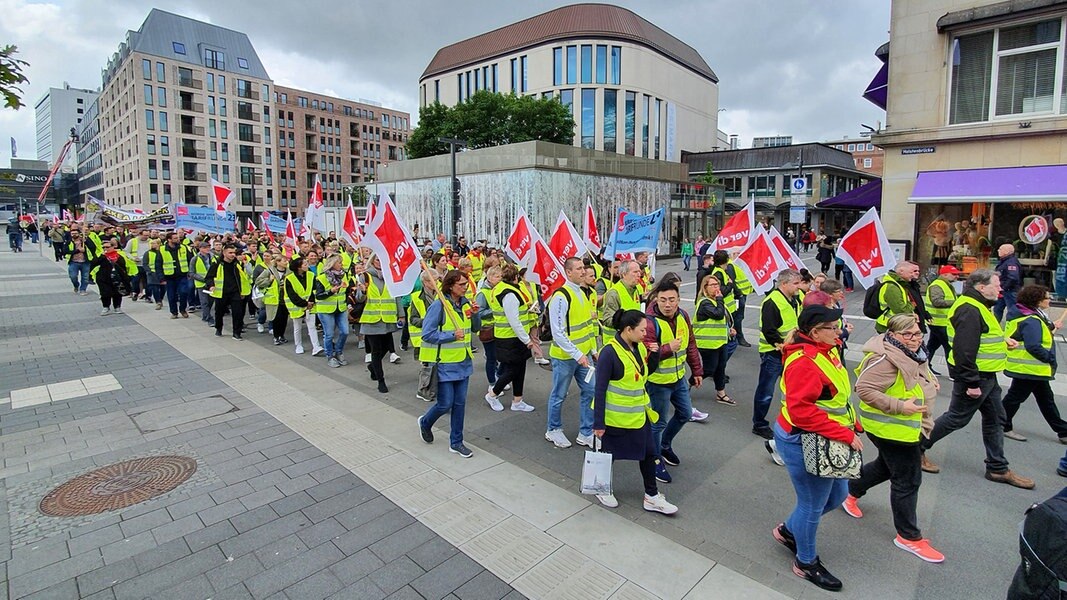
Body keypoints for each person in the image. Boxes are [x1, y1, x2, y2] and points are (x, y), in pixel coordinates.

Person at [771, 304, 860, 592]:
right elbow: (801, 412)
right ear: (814, 332)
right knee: (812, 505)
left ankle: (788, 531)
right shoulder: (803, 361)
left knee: (837, 496)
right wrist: (844, 434)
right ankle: (806, 562)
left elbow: (836, 395)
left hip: (823, 435)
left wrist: (851, 423)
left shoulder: (826, 349)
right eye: (833, 328)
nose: (839, 332)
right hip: (802, 438)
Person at [843, 314, 945, 563]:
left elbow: (915, 376)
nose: (914, 339)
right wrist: (900, 406)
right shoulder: (884, 359)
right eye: (907, 334)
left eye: (918, 333)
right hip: (893, 430)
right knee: (907, 480)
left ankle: (850, 490)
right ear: (892, 335)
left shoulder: (912, 351)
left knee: (886, 468)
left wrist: (929, 383)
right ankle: (908, 537)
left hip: (905, 428)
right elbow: (864, 389)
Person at [921, 269, 1034, 489]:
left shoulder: (979, 306)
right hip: (975, 377)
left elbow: (981, 338)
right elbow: (965, 350)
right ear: (981, 287)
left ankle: (997, 467)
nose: (1001, 288)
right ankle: (914, 447)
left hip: (985, 376)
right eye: (996, 284)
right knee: (957, 418)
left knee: (995, 418)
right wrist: (971, 382)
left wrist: (1004, 340)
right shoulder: (970, 309)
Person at [593, 308, 678, 514]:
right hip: (615, 419)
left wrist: (656, 354)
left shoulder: (639, 347)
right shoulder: (609, 353)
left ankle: (652, 495)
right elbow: (600, 389)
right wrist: (598, 423)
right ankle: (601, 487)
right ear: (628, 330)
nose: (645, 334)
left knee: (650, 454)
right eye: (641, 330)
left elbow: (646, 373)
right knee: (608, 455)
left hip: (639, 416)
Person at [417, 269, 481, 458]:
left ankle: (456, 442)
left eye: (466, 283)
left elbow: (476, 328)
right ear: (450, 285)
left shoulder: (466, 303)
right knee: (445, 404)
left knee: (460, 404)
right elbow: (427, 334)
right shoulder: (439, 306)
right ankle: (425, 423)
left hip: (463, 362)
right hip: (444, 364)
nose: (465, 287)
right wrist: (451, 335)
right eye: (461, 284)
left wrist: (476, 314)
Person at [644, 282, 702, 483]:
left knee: (685, 413)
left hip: (678, 378)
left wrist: (696, 370)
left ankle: (664, 446)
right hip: (658, 382)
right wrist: (668, 347)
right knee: (658, 422)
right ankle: (654, 459)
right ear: (656, 300)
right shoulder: (650, 323)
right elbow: (645, 356)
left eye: (671, 300)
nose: (667, 304)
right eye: (662, 300)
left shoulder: (684, 316)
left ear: (678, 300)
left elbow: (691, 344)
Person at [545, 257, 599, 449]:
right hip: (565, 358)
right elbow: (558, 332)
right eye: (578, 269)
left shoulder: (582, 293)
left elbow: (587, 326)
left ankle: (586, 432)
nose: (583, 271)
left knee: (591, 391)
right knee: (559, 394)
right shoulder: (560, 296)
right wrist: (578, 354)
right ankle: (553, 429)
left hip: (582, 357)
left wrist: (593, 349)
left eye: (583, 268)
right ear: (568, 272)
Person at [1002, 284, 1067, 444]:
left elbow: (1036, 330)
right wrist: (1049, 358)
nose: (1050, 299)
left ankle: (1062, 430)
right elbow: (1033, 345)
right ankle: (1001, 424)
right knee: (1016, 398)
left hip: (1030, 368)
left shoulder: (1027, 314)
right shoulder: (1032, 320)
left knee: (1044, 399)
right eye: (1047, 297)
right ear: (1037, 301)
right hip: (1030, 367)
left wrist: (1052, 325)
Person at [753, 269, 804, 439]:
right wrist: (780, 344)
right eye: (795, 284)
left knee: (791, 388)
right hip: (774, 353)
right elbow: (769, 330)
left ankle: (791, 420)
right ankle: (759, 424)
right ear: (784, 284)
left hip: (789, 351)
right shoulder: (772, 302)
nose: (799, 287)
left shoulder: (794, 299)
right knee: (766, 389)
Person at [485, 263, 539, 412]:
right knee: (512, 370)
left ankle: (518, 400)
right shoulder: (509, 293)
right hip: (510, 337)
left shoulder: (505, 289)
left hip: (512, 336)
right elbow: (513, 320)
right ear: (516, 277)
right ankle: (492, 394)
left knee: (519, 368)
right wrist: (526, 340)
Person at [355, 255, 404, 391]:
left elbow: (397, 297)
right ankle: (381, 381)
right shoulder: (365, 276)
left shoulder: (390, 277)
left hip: (388, 319)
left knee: (386, 348)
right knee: (376, 351)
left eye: (382, 260)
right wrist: (363, 291)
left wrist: (401, 315)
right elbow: (359, 299)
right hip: (372, 320)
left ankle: (372, 366)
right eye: (377, 260)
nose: (380, 262)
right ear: (372, 261)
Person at [694, 275, 735, 406]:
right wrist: (720, 299)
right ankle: (686, 385)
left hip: (720, 342)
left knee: (720, 368)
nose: (716, 287)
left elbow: (723, 318)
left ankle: (721, 393)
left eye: (717, 284)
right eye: (712, 285)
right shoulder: (705, 302)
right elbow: (718, 314)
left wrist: (729, 329)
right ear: (705, 288)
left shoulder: (715, 301)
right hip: (707, 343)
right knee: (709, 369)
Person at [315, 254, 352, 370]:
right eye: (339, 263)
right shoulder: (321, 278)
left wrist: (348, 303)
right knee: (329, 334)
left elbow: (347, 292)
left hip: (340, 308)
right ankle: (330, 356)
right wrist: (330, 291)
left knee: (345, 331)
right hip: (326, 310)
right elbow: (318, 296)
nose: (341, 265)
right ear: (332, 264)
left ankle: (338, 351)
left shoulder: (344, 275)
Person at [206, 243, 251, 340]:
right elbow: (209, 277)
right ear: (224, 253)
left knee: (238, 313)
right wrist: (211, 286)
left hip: (235, 292)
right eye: (230, 253)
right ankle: (219, 328)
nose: (233, 255)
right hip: (222, 292)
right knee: (219, 312)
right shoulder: (217, 263)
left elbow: (243, 278)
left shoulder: (237, 264)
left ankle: (237, 333)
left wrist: (242, 292)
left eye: (234, 253)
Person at [925, 265, 960, 375]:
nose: (956, 276)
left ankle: (924, 366)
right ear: (944, 274)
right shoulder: (937, 285)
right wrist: (957, 302)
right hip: (938, 322)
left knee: (932, 345)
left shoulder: (946, 285)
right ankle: (953, 373)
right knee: (948, 346)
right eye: (953, 274)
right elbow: (937, 302)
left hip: (941, 322)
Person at [284, 256, 321, 356]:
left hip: (311, 306)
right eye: (304, 264)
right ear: (298, 267)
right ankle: (298, 345)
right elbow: (292, 295)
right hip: (297, 307)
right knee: (297, 327)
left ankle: (316, 346)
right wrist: (304, 304)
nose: (307, 265)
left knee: (312, 326)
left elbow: (314, 290)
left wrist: (311, 302)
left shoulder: (311, 275)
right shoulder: (289, 279)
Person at [599, 260, 642, 340]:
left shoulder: (636, 290)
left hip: (631, 340)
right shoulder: (614, 293)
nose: (639, 275)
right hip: (615, 342)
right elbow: (607, 320)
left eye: (639, 271)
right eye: (635, 272)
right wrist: (624, 321)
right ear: (624, 274)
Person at [89, 239, 135, 315]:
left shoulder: (120, 255)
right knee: (105, 293)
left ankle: (117, 307)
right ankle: (106, 307)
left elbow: (125, 265)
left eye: (107, 247)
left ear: (113, 247)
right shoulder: (100, 255)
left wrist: (126, 277)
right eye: (103, 247)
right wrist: (102, 256)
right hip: (103, 277)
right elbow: (93, 264)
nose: (105, 249)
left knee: (117, 293)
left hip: (117, 277)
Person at [475, 266, 502, 392]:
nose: (500, 279)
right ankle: (492, 383)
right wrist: (496, 310)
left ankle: (498, 377)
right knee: (491, 358)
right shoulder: (483, 293)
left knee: (499, 356)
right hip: (488, 329)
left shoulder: (497, 290)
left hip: (498, 328)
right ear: (490, 278)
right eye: (497, 277)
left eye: (501, 276)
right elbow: (479, 313)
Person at [875, 261, 921, 334]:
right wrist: (912, 305)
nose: (914, 275)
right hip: (889, 326)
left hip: (894, 324)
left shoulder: (899, 284)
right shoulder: (892, 287)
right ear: (901, 271)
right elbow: (900, 309)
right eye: (911, 272)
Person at [257, 253, 291, 346]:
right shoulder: (269, 271)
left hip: (285, 299)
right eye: (284, 261)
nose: (286, 263)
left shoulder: (289, 272)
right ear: (278, 262)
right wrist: (269, 280)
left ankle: (282, 335)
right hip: (273, 299)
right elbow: (258, 281)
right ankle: (276, 336)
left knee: (284, 318)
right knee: (276, 318)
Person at [726, 251, 754, 347]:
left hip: (742, 294)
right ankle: (738, 337)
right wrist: (739, 294)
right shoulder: (731, 265)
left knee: (738, 317)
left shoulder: (738, 264)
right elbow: (732, 282)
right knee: (738, 317)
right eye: (737, 253)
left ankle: (736, 337)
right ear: (732, 254)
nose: (740, 254)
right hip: (738, 296)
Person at [994, 243, 1022, 322]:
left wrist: (1003, 288)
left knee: (1013, 312)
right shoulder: (1004, 261)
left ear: (1007, 252)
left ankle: (1013, 329)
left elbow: (1013, 277)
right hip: (1003, 291)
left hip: (1010, 291)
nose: (998, 250)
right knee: (997, 309)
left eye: (1000, 249)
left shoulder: (1011, 262)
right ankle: (995, 327)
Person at [191, 242, 216, 327]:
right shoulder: (195, 259)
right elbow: (191, 273)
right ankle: (209, 318)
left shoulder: (213, 257)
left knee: (210, 301)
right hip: (201, 283)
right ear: (200, 248)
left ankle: (205, 316)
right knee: (204, 302)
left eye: (208, 247)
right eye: (205, 248)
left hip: (212, 283)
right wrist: (203, 279)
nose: (207, 249)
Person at [66, 230, 94, 295]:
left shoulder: (84, 241)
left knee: (85, 277)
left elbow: (93, 247)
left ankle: (83, 289)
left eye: (75, 233)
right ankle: (76, 285)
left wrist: (87, 240)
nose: (74, 235)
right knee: (73, 276)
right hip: (73, 262)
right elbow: (65, 251)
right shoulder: (69, 242)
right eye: (72, 234)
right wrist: (77, 250)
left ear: (79, 234)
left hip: (85, 262)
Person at [143, 238, 164, 308]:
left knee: (163, 289)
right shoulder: (147, 253)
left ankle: (160, 299)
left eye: (154, 243)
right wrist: (149, 271)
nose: (152, 245)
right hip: (152, 274)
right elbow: (145, 264)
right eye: (151, 243)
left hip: (162, 273)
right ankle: (158, 301)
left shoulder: (162, 252)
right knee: (155, 288)